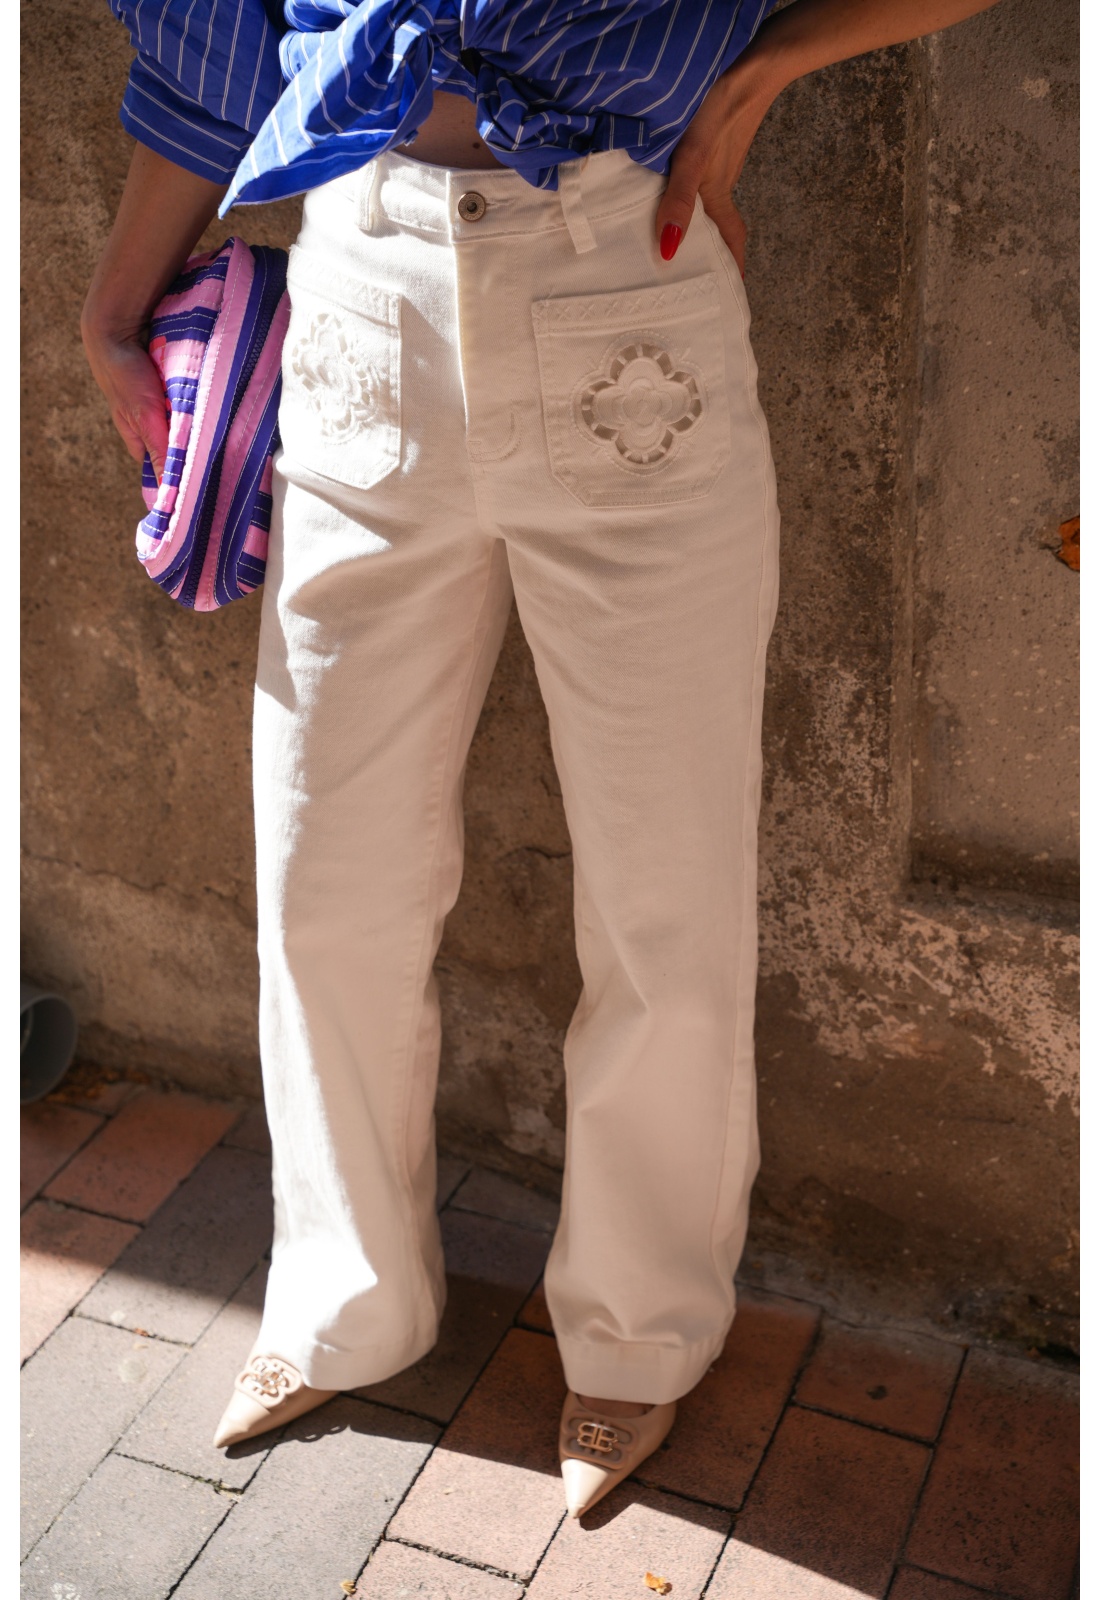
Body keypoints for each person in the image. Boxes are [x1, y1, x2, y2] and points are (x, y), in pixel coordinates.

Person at [84, 0, 999, 1519]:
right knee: (326, 876)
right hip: (360, 284)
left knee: (664, 899)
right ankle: (343, 1298)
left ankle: (641, 1334)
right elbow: (215, 38)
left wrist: (770, 67)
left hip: (625, 283)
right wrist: (118, 303)